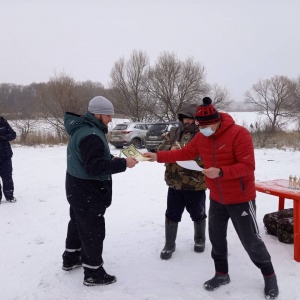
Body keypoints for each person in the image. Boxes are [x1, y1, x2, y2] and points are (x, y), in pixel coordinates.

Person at [144, 97, 279, 299]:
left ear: (217, 120)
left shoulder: (239, 134)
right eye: (201, 125)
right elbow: (185, 153)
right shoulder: (201, 137)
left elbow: (248, 166)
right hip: (217, 198)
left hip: (241, 197)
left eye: (207, 125)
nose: (204, 129)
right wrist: (158, 156)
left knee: (251, 240)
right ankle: (221, 274)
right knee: (216, 239)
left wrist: (221, 172)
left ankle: (269, 275)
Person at [62, 96, 138, 286]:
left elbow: (89, 158)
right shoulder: (92, 135)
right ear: (97, 113)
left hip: (76, 188)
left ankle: (71, 258)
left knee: (78, 222)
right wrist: (124, 163)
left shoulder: (83, 129)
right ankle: (93, 273)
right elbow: (94, 167)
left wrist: (110, 158)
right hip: (89, 191)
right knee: (92, 231)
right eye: (108, 115)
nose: (111, 119)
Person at [157, 104, 206, 260]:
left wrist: (191, 157)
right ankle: (169, 244)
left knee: (198, 214)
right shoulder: (173, 132)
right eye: (185, 118)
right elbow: (160, 148)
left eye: (191, 118)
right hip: (174, 182)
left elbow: (209, 155)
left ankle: (200, 240)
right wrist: (170, 149)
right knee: (172, 214)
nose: (187, 121)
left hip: (196, 184)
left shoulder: (204, 135)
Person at [0, 116, 17, 204]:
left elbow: (13, 134)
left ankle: (9, 195)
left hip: (5, 155)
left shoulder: (3, 122)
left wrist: (4, 137)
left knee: (7, 177)